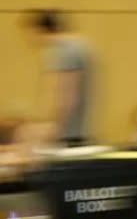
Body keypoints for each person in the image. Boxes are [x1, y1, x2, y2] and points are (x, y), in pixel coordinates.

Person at [25, 9, 93, 146]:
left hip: (70, 133)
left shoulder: (66, 50)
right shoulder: (81, 45)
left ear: (41, 30)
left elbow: (69, 96)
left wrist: (52, 128)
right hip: (80, 129)